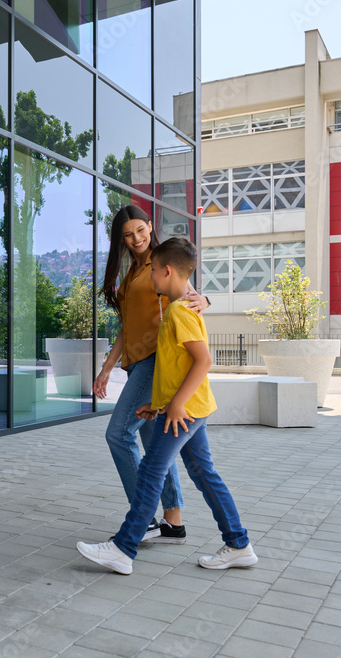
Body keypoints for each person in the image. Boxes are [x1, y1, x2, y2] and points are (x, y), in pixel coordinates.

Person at [76, 238, 257, 575]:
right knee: (204, 474)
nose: (153, 279)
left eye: (155, 273)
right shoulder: (182, 308)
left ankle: (123, 548)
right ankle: (238, 543)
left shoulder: (177, 311)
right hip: (192, 408)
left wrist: (174, 406)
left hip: (185, 411)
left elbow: (203, 361)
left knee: (149, 471)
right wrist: (156, 405)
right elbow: (176, 367)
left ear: (167, 270)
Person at [94, 205, 208, 545]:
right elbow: (127, 327)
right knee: (153, 441)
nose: (136, 238)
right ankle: (173, 520)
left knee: (118, 434)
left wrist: (206, 298)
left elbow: (187, 293)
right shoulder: (131, 274)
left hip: (156, 359)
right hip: (137, 363)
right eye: (128, 234)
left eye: (140, 230)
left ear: (149, 225)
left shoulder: (160, 263)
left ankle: (142, 517)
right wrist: (106, 367)